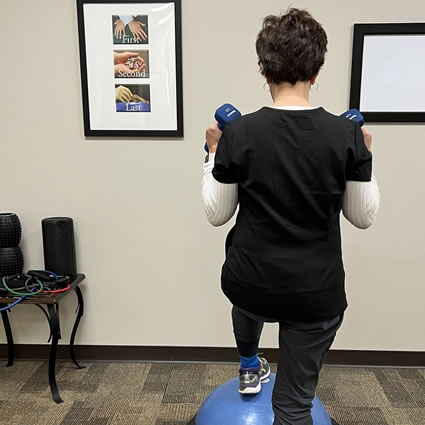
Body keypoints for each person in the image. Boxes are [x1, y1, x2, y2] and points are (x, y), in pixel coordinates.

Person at [201, 8, 380, 425]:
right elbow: (361, 217)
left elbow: (217, 214)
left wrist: (212, 153)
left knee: (243, 298)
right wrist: (366, 157)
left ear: (264, 69)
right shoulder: (346, 134)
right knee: (294, 407)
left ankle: (249, 361)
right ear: (316, 72)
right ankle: (254, 366)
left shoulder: (239, 133)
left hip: (251, 283)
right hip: (315, 292)